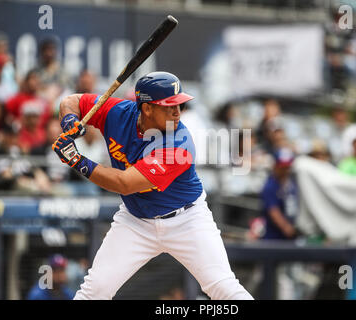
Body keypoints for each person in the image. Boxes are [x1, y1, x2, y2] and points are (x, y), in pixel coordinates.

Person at [52, 71, 253, 300]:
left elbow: (124, 183)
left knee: (223, 288)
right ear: (147, 108)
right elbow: (71, 101)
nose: (178, 113)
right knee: (94, 290)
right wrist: (69, 120)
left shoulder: (179, 144)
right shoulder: (117, 113)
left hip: (187, 220)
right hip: (136, 220)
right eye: (170, 106)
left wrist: (76, 159)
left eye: (180, 105)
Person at [260, 148, 299, 240]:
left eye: (287, 167)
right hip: (274, 239)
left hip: (291, 237)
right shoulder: (270, 185)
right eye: (283, 167)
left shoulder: (291, 182)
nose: (285, 170)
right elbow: (273, 211)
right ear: (276, 166)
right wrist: (287, 228)